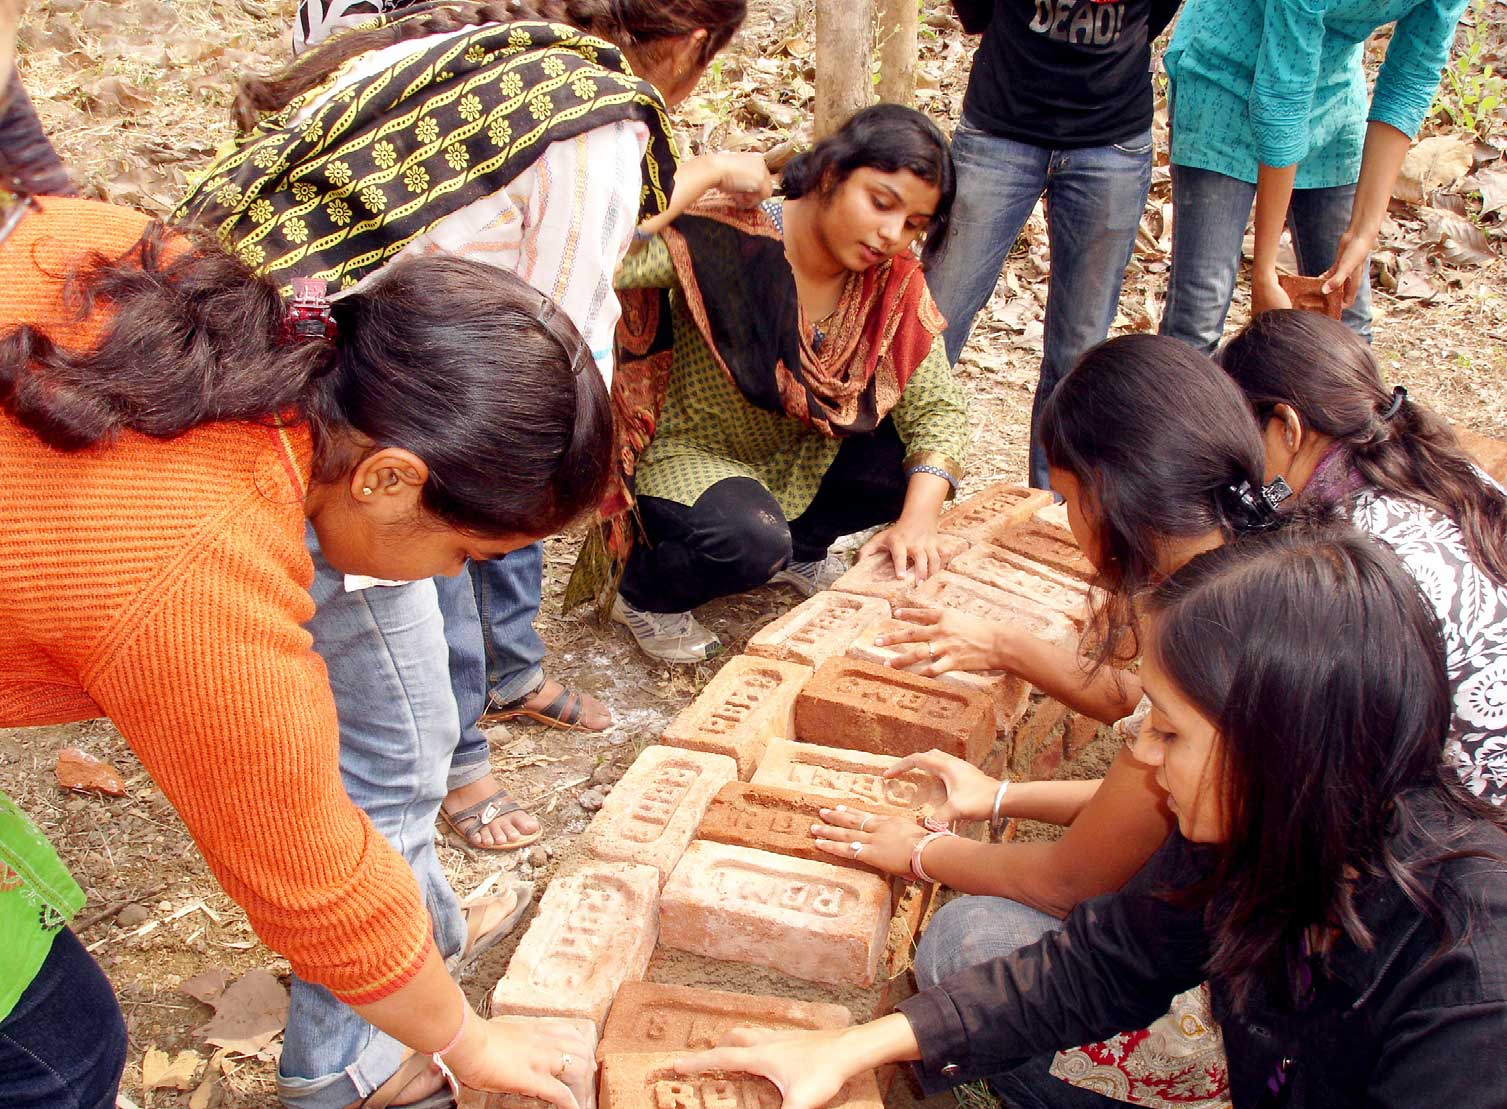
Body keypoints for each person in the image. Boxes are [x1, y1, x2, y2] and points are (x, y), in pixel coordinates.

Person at [0, 198, 611, 1107]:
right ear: (389, 477)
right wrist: (465, 1040)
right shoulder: (199, 572)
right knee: (63, 1050)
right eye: (465, 556)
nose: (451, 578)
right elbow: (312, 872)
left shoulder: (138, 258)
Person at [177, 0, 756, 853]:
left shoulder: (488, 48)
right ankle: (399, 914)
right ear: (699, 44)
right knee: (398, 747)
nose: (459, 564)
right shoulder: (593, 121)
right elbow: (557, 342)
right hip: (318, 413)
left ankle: (430, 875)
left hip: (232, 357)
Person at [682, 526, 1507, 1108]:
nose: (1143, 757)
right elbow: (1102, 963)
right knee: (971, 953)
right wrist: (847, 1046)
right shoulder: (1260, 831)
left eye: (1169, 729)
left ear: (1280, 745)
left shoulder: (1471, 976)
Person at [594, 104, 969, 663]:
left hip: (804, 456)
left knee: (908, 467)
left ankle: (802, 549)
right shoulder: (727, 240)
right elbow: (604, 251)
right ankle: (642, 595)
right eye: (881, 203)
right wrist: (711, 170)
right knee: (749, 541)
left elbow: (938, 409)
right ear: (829, 174)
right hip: (693, 453)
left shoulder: (890, 285)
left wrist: (917, 521)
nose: (893, 235)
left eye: (914, 225)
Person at [1218, 308, 1507, 804]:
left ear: (1286, 426)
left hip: (1470, 828)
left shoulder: (1346, 556)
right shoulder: (1450, 472)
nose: (1246, 475)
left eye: (1243, 444)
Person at [932, 0, 1178, 488]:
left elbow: (1154, 14)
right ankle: (881, 494)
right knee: (933, 323)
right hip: (1002, 123)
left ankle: (1053, 511)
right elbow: (975, 13)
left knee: (1079, 348)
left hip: (1109, 135)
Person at [1158, 0, 1469, 353]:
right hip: (1225, 76)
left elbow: (1411, 78)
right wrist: (1264, 272)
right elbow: (1282, 97)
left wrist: (1363, 232)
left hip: (1331, 87)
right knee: (1199, 318)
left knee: (1346, 322)